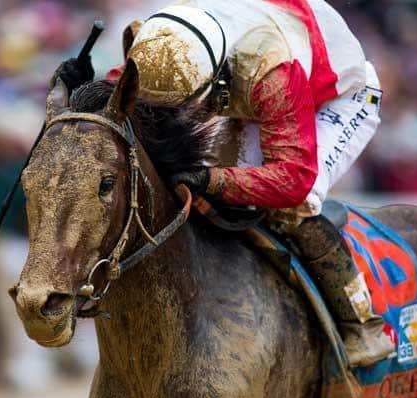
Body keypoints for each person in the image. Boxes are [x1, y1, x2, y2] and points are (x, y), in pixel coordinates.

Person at [54, 0, 394, 368]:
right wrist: (79, 92)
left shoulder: (272, 75)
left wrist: (211, 179)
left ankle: (359, 321)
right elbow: (122, 102)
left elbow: (292, 179)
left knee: (291, 207)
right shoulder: (158, 42)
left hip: (333, 94)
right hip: (240, 82)